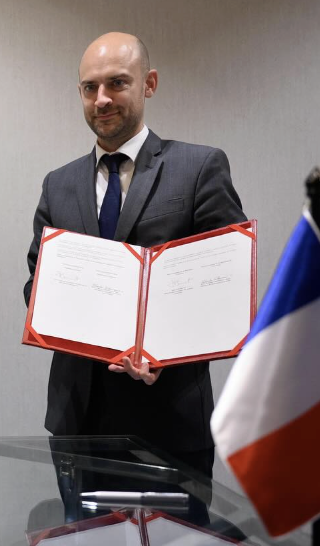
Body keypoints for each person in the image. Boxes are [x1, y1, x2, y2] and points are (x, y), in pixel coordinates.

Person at [24, 32, 247, 477]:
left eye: (117, 83)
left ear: (149, 83)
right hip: (77, 419)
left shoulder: (198, 167)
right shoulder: (58, 183)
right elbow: (36, 281)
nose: (102, 99)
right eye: (90, 88)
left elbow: (226, 282)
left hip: (169, 418)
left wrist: (166, 353)